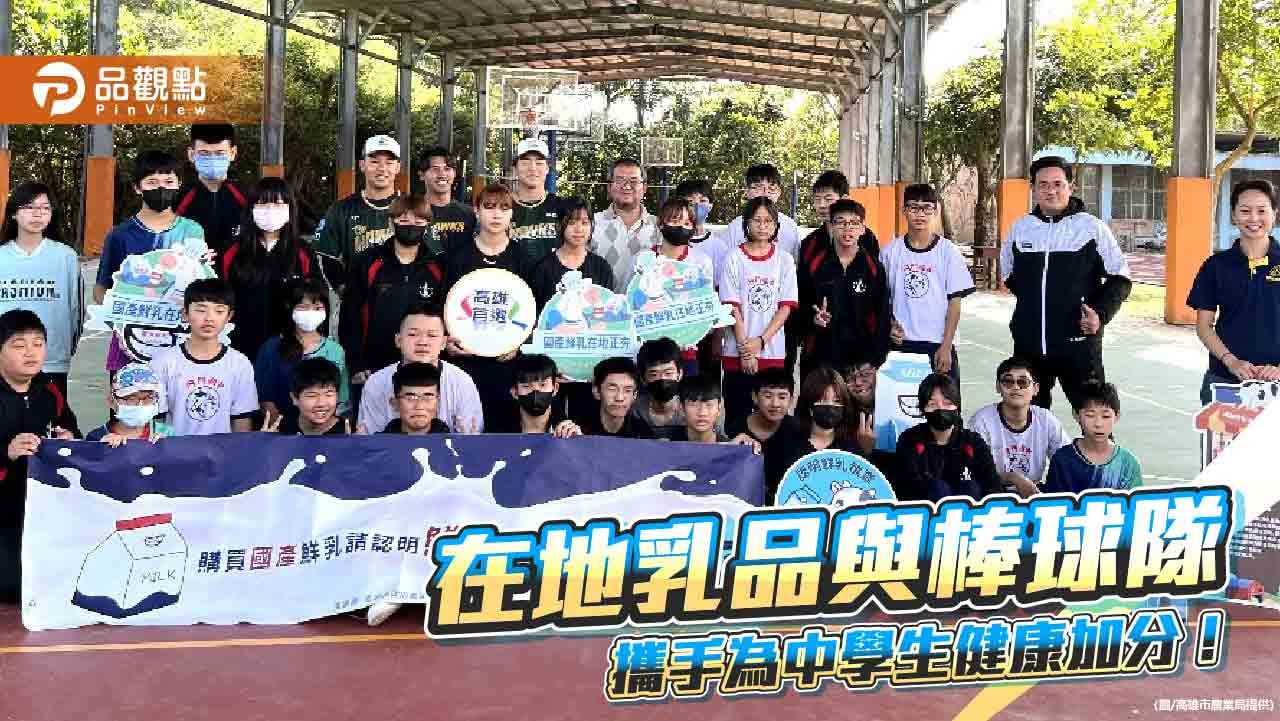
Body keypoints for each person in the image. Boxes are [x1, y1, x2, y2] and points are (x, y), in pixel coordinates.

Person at [1001, 155, 1132, 409]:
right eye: (1043, 184)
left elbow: (1120, 277)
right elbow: (1010, 276)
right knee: (1029, 419)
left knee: (1093, 417)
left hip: (1079, 347)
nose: (1051, 191)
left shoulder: (1091, 228)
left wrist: (1099, 314)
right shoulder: (1020, 229)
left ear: (1071, 187)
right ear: (1033, 188)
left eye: (1058, 184)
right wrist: (1033, 310)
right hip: (1029, 349)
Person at [94, 150, 206, 374]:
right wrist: (121, 316)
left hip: (179, 341)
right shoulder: (120, 234)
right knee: (131, 396)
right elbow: (100, 289)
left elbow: (201, 287)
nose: (161, 188)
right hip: (130, 342)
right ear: (138, 187)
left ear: (178, 185)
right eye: (152, 182)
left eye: (168, 181)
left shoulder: (192, 230)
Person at [0, 309, 79, 603]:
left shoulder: (50, 390)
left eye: (38, 343)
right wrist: (6, 452)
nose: (30, 352)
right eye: (19, 345)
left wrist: (69, 439)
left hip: (42, 507)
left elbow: (72, 430)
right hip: (4, 509)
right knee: (12, 589)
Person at [443, 184, 533, 426]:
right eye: (489, 207)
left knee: (503, 429)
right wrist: (447, 342)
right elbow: (445, 306)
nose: (496, 214)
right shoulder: (458, 258)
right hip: (465, 361)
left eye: (504, 208)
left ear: (512, 213)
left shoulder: (523, 259)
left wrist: (520, 344)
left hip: (508, 365)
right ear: (477, 210)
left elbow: (532, 311)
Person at [1187, 179, 1280, 403]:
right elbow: (1204, 326)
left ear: (1274, 214)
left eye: (1262, 211)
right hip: (1225, 381)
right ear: (1234, 215)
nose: (1254, 218)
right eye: (1245, 211)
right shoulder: (1215, 266)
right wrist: (1231, 361)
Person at [341, 193, 446, 385]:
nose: (411, 225)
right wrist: (355, 363)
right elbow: (350, 314)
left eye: (418, 221)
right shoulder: (367, 263)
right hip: (372, 367)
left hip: (425, 367)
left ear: (427, 225)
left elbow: (444, 316)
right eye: (403, 220)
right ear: (391, 223)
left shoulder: (438, 266)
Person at [881, 183, 974, 384]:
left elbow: (955, 303)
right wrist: (889, 325)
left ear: (936, 210)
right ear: (904, 210)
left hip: (937, 345)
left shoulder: (948, 251)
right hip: (901, 344)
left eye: (926, 208)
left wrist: (946, 346)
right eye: (914, 207)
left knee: (942, 402)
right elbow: (881, 299)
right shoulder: (890, 252)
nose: (920, 214)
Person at [718, 196, 799, 424]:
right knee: (737, 418)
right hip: (737, 352)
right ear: (746, 223)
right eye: (757, 220)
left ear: (776, 225)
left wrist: (761, 342)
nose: (763, 226)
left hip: (772, 352)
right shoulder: (733, 257)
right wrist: (746, 351)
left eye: (768, 221)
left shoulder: (784, 260)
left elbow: (785, 307)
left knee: (770, 418)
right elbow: (731, 306)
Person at [220, 176, 316, 362]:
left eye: (278, 204)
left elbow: (315, 299)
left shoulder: (303, 252)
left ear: (290, 209)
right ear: (251, 209)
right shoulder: (231, 251)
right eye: (263, 203)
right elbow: (218, 298)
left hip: (290, 350)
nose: (271, 210)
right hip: (238, 349)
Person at [0, 182, 82, 395]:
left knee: (51, 414)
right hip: (4, 362)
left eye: (45, 208)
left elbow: (76, 310)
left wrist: (63, 352)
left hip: (51, 361)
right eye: (29, 207)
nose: (38, 214)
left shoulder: (66, 257)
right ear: (13, 213)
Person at [150, 278, 258, 435]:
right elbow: (157, 420)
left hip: (222, 450)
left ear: (229, 316)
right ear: (185, 313)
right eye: (201, 310)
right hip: (175, 449)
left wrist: (239, 449)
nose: (209, 318)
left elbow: (241, 419)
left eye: (219, 311)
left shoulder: (239, 363)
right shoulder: (163, 362)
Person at [799, 198, 890, 380]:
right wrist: (813, 318)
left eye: (854, 223)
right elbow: (800, 305)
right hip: (820, 356)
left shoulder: (873, 268)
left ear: (863, 228)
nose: (847, 228)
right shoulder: (815, 264)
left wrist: (875, 359)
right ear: (831, 226)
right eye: (840, 222)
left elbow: (882, 316)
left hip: (860, 359)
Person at [359, 304, 483, 435]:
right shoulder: (376, 383)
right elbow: (370, 439)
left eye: (432, 335)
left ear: (443, 343)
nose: (422, 342)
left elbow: (470, 438)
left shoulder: (461, 382)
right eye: (413, 334)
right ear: (398, 340)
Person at [629, 197, 717, 376]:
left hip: (686, 351)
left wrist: (691, 333)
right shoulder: (642, 259)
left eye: (687, 223)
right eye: (675, 221)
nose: (681, 227)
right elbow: (630, 302)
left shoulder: (701, 261)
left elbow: (707, 307)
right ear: (661, 224)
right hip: (648, 351)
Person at [255, 279, 350, 429]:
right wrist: (284, 432)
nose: (311, 313)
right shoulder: (271, 348)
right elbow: (266, 399)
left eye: (317, 307)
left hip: (323, 432)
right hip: (282, 432)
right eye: (304, 307)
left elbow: (340, 399)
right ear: (289, 307)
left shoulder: (335, 350)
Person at [967, 357, 1069, 497]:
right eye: (1008, 381)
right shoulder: (982, 421)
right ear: (998, 387)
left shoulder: (1046, 419)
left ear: (1036, 389)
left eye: (1023, 382)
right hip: (992, 492)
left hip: (1033, 491)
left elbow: (1067, 459)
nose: (1015, 387)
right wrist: (1013, 478)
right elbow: (974, 471)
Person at [894, 372, 1001, 502]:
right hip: (926, 513)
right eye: (932, 404)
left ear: (957, 407)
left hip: (971, 513)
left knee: (970, 487)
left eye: (947, 403)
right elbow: (904, 489)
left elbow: (992, 486)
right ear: (922, 409)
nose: (940, 409)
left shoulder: (973, 442)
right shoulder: (909, 440)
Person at [313, 134, 402, 291]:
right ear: (362, 165)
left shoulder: (412, 208)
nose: (382, 168)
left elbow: (429, 258)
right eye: (374, 162)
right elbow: (324, 256)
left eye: (389, 162)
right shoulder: (341, 210)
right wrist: (343, 289)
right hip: (357, 298)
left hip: (403, 296)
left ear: (397, 167)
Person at [768, 367, 864, 503]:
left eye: (837, 401)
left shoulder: (852, 449)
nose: (830, 406)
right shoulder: (786, 443)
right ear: (809, 405)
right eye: (822, 400)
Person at [1043, 381, 1142, 493]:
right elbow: (1055, 500)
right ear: (1076, 415)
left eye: (1106, 416)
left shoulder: (1128, 463)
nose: (1098, 424)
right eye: (1090, 415)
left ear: (1117, 416)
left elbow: (1135, 502)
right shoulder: (1062, 459)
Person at [709, 164, 802, 271]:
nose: (765, 193)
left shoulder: (790, 227)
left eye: (771, 188)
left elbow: (797, 266)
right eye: (758, 187)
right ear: (747, 191)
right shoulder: (734, 228)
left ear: (779, 193)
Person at [175, 123, 247, 261]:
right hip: (192, 272)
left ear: (232, 153)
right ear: (191, 154)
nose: (213, 159)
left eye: (220, 153)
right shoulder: (177, 198)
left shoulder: (247, 197)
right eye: (204, 153)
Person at [527, 197, 614, 311]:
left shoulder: (601, 267)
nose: (579, 229)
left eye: (584, 223)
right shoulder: (543, 268)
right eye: (572, 223)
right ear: (560, 225)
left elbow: (607, 310)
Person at [592, 158, 659, 289]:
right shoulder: (592, 224)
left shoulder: (660, 227)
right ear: (609, 187)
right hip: (601, 301)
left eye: (634, 181)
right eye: (619, 180)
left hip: (648, 301)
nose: (627, 186)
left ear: (644, 188)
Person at [86, 362, 174, 444]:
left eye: (148, 398)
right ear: (112, 401)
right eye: (131, 399)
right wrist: (100, 449)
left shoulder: (166, 433)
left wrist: (166, 447)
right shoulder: (96, 437)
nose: (140, 404)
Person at [666, 375, 759, 450]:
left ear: (719, 409)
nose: (702, 413)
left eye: (709, 405)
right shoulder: (667, 445)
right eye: (694, 404)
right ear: (682, 408)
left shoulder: (731, 446)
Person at [509, 138, 566, 262]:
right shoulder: (501, 207)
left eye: (539, 162)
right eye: (525, 162)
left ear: (547, 168)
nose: (532, 168)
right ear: (515, 169)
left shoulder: (562, 207)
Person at [267, 357, 351, 436]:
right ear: (294, 398)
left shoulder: (347, 434)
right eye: (312, 395)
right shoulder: (283, 431)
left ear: (337, 396)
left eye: (328, 394)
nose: (321, 403)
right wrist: (264, 442)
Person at [417, 146, 475, 255]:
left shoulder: (470, 214)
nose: (442, 174)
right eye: (435, 169)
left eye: (447, 168)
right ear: (421, 175)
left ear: (454, 173)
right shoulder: (412, 212)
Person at [578, 357, 655, 439]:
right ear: (596, 391)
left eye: (627, 390)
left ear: (634, 395)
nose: (620, 398)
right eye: (612, 389)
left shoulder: (643, 434)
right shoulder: (579, 428)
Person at [510, 353, 581, 437]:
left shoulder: (567, 431)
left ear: (555, 388)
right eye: (526, 386)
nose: (536, 392)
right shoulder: (499, 430)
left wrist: (579, 440)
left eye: (543, 385)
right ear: (514, 392)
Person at [633, 338, 689, 439]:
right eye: (654, 374)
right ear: (643, 379)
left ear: (679, 374)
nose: (662, 379)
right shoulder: (634, 410)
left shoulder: (692, 411)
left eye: (668, 373)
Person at [380, 362, 451, 435]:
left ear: (438, 402)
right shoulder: (376, 441)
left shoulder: (454, 441)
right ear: (395, 403)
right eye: (410, 397)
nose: (419, 406)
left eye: (428, 397)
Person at [674, 178, 716, 246]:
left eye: (702, 201)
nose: (697, 206)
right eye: (690, 201)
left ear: (710, 206)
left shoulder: (717, 244)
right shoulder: (669, 242)